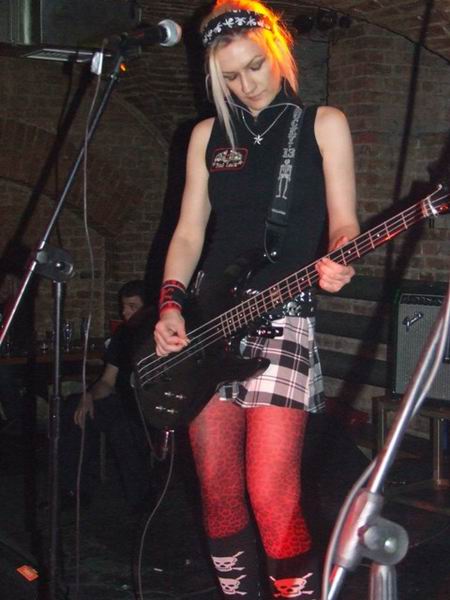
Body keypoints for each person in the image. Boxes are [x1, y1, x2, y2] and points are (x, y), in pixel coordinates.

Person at [154, 1, 360, 598]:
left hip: (283, 321)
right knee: (218, 489)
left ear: (279, 53)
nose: (246, 85)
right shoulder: (206, 136)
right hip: (207, 322)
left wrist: (340, 258)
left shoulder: (322, 123)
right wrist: (170, 304)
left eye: (254, 67)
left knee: (272, 491)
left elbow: (344, 223)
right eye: (230, 77)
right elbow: (189, 233)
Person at [59, 280, 153, 510]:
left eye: (132, 307)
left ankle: (140, 497)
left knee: (123, 427)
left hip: (148, 406)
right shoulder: (122, 335)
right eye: (124, 307)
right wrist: (89, 395)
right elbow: (107, 381)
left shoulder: (160, 335)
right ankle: (76, 490)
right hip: (121, 401)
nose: (125, 312)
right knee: (75, 407)